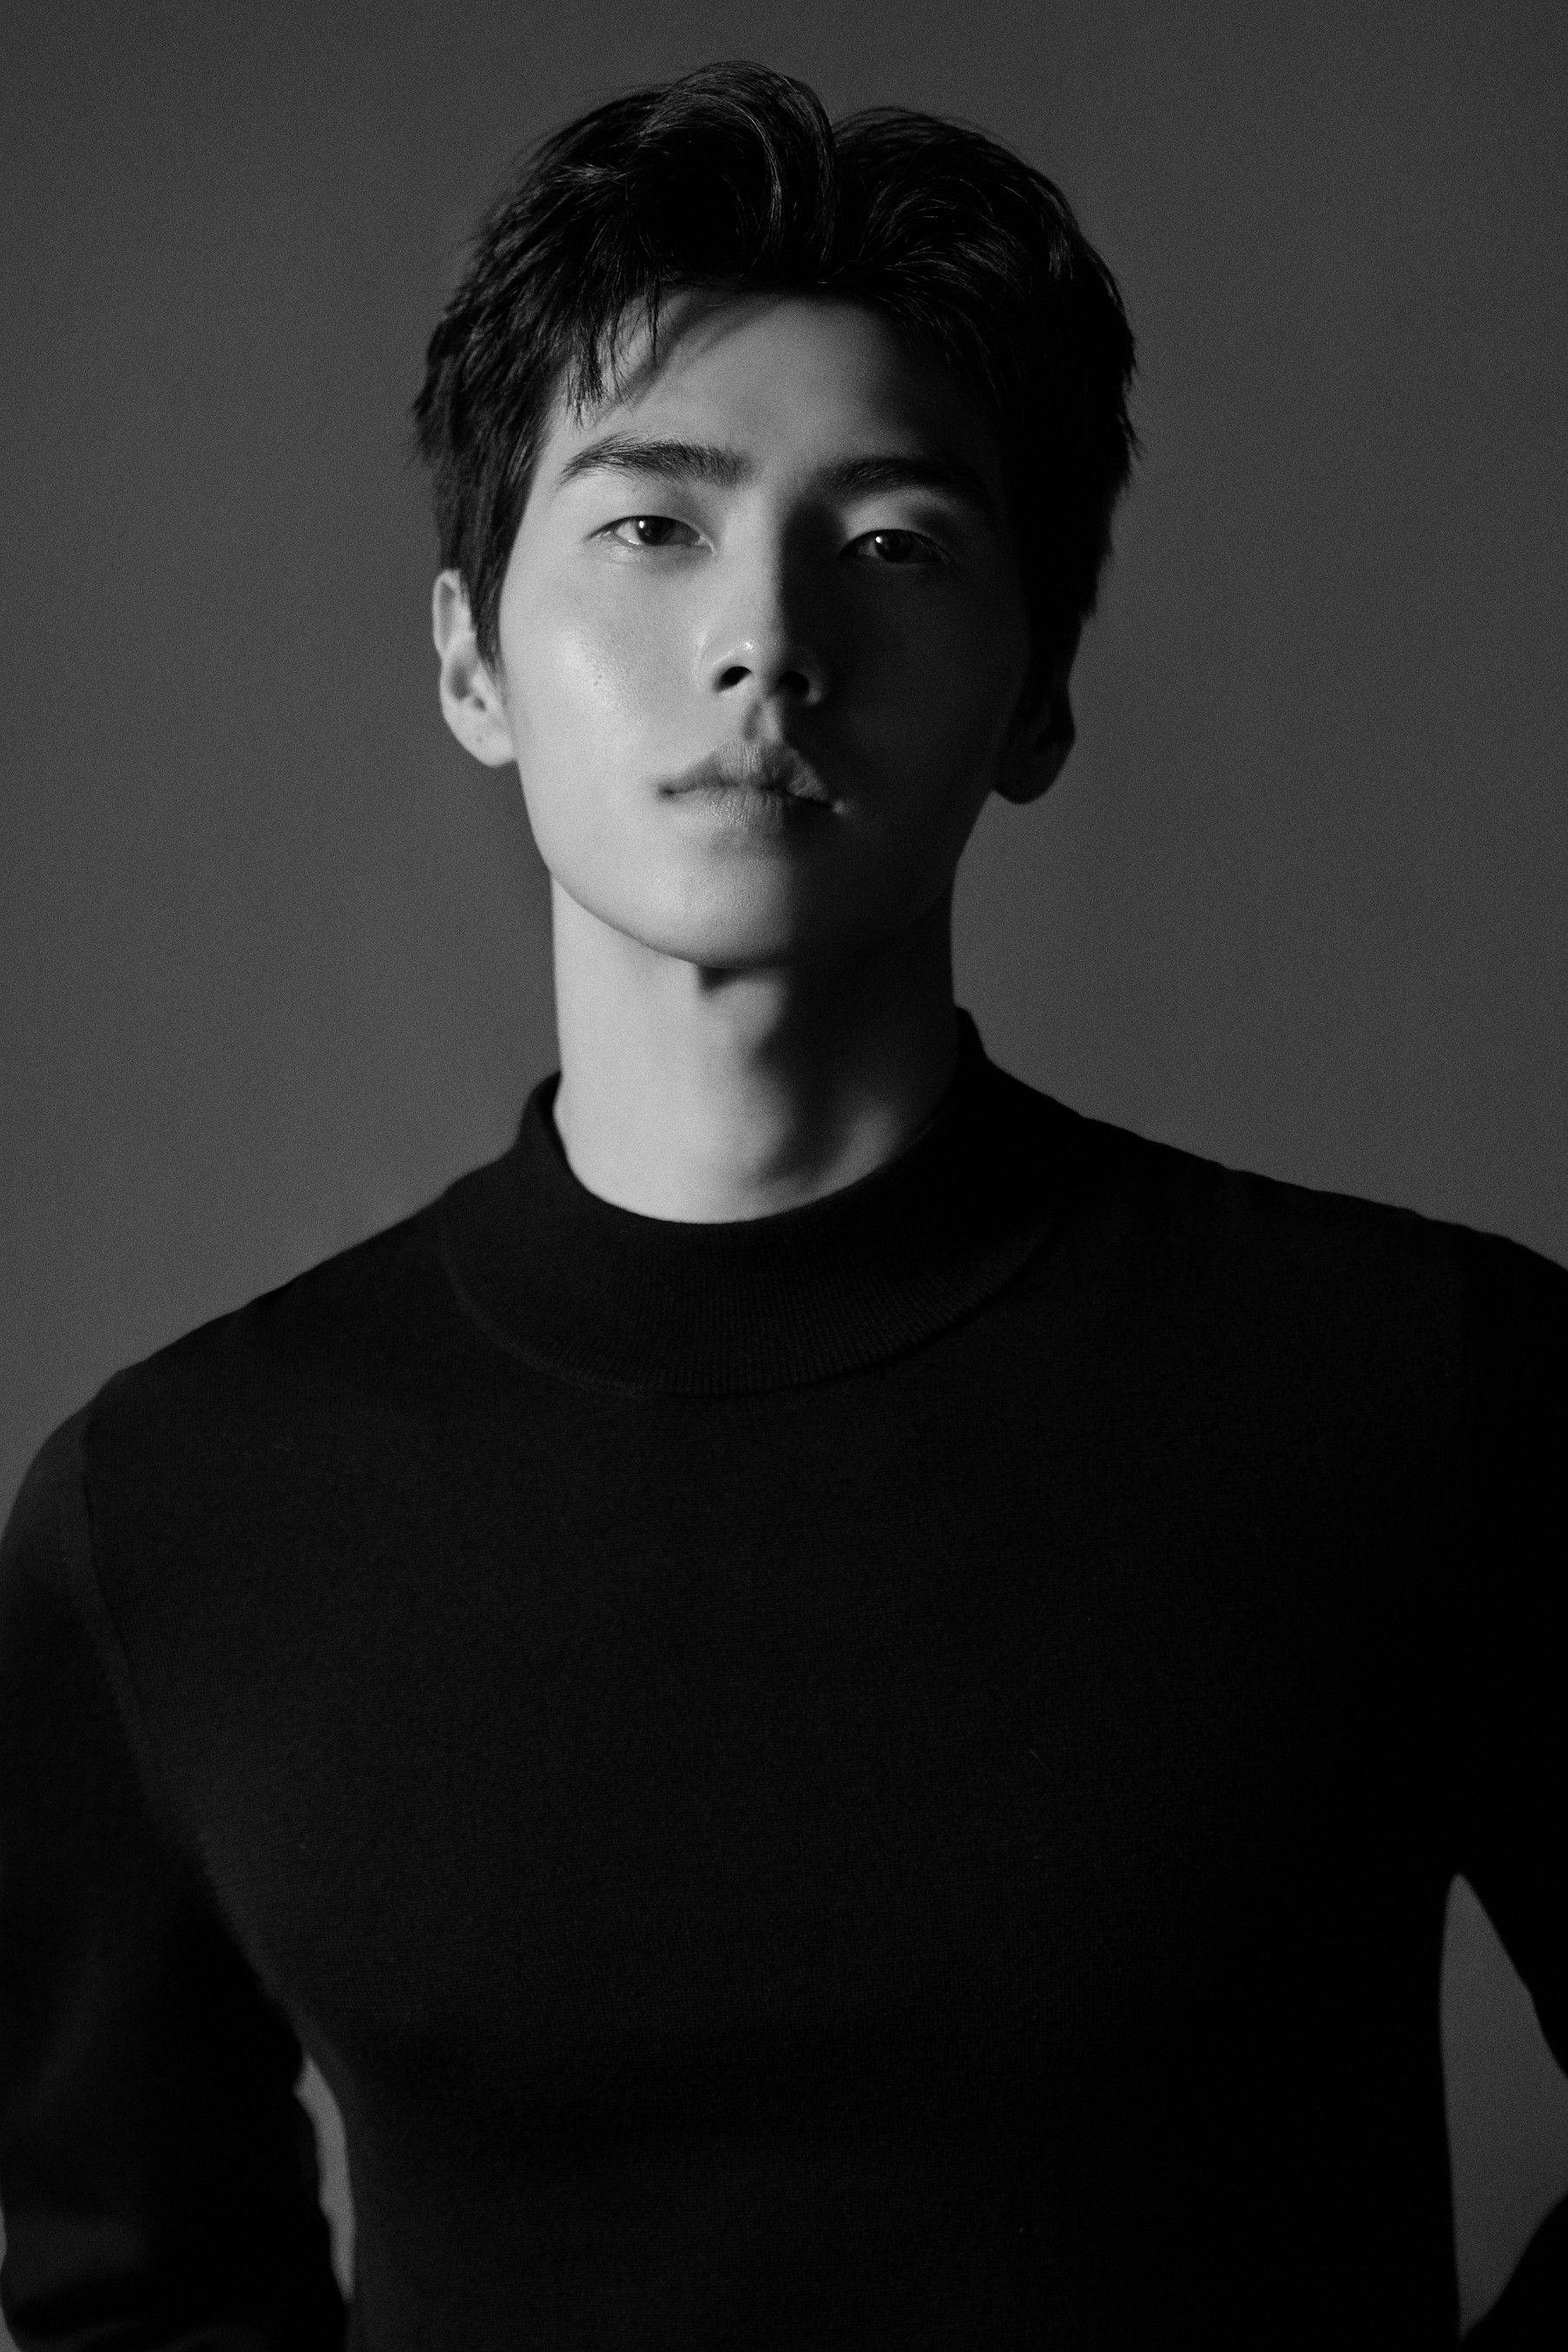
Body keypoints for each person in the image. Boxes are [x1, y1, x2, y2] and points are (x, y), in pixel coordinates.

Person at [0, 56, 1562, 2349]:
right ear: (470, 660)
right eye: (652, 525)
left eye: (897, 543)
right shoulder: (171, 1516)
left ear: (1035, 697)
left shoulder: (1422, 1388)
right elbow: (127, 2292)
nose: (767, 642)